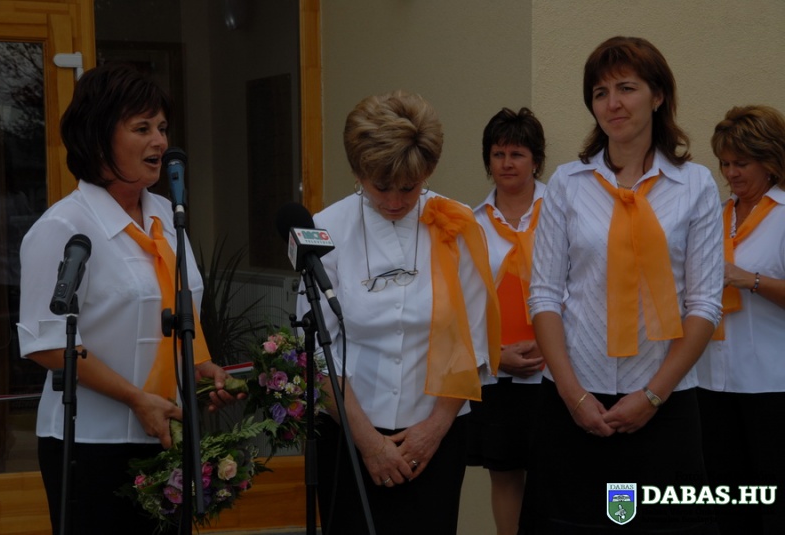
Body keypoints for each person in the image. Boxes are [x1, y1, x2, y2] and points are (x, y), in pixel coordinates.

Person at [16, 63, 237, 535]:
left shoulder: (167, 216)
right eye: (142, 129)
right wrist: (136, 399)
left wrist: (200, 368)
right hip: (91, 444)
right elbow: (46, 343)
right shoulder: (63, 227)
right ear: (98, 140)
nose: (160, 142)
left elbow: (176, 310)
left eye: (162, 128)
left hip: (167, 432)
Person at [521, 36, 723, 533]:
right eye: (600, 92)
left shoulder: (695, 185)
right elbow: (544, 294)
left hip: (665, 401)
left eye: (627, 88)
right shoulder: (568, 184)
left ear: (658, 95)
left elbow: (704, 304)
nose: (612, 103)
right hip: (573, 400)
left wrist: (652, 396)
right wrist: (573, 395)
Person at [298, 90, 500, 535]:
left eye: (408, 188)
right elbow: (314, 352)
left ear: (427, 172)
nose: (394, 201)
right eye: (380, 187)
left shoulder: (457, 225)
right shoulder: (324, 230)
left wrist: (434, 429)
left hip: (437, 436)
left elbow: (472, 340)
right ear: (358, 173)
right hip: (349, 435)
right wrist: (368, 442)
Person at [696, 105, 785, 534]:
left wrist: (749, 280)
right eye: (724, 163)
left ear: (770, 161)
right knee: (728, 506)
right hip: (712, 383)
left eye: (741, 163)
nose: (730, 173)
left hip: (772, 385)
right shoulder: (716, 216)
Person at [465, 107, 546, 535]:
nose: (507, 163)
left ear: (536, 160)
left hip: (559, 370)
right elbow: (463, 302)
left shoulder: (563, 211)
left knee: (557, 474)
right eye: (498, 154)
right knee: (505, 473)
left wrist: (550, 348)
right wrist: (495, 355)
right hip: (497, 372)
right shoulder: (471, 223)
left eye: (517, 153)